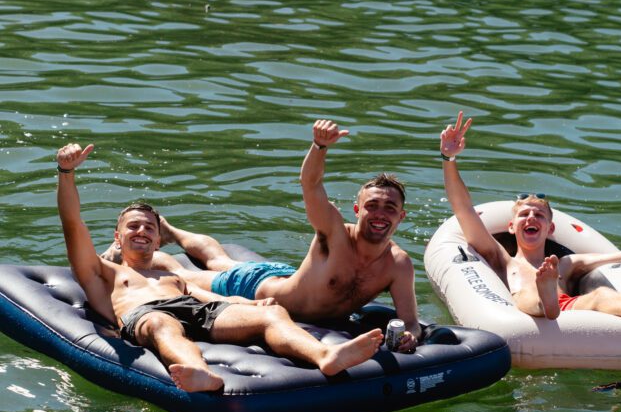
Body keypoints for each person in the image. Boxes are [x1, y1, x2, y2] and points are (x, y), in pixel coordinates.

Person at [55, 143, 384, 393]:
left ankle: (325, 356)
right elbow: (72, 224)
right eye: (133, 227)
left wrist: (255, 305)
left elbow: (203, 298)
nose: (141, 231)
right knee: (160, 323)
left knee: (271, 315)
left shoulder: (171, 275)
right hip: (146, 316)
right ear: (117, 236)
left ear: (158, 240)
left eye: (149, 228)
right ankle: (201, 373)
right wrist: (66, 173)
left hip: (192, 309)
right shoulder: (101, 273)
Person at [104, 120, 420, 352]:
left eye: (389, 208)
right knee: (183, 273)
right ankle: (150, 245)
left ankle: (170, 229)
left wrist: (411, 336)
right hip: (258, 287)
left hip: (288, 276)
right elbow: (310, 186)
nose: (380, 214)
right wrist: (319, 147)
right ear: (357, 210)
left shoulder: (399, 265)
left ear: (401, 217)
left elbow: (411, 322)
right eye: (372, 206)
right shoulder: (335, 233)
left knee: (220, 260)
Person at [439, 111, 621, 323]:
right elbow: (463, 209)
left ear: (550, 229)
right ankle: (544, 298)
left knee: (600, 295)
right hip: (529, 308)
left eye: (539, 214)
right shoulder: (504, 260)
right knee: (528, 295)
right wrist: (449, 158)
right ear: (511, 227)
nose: (531, 217)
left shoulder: (566, 264)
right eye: (524, 214)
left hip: (566, 305)